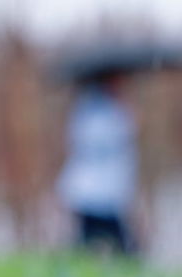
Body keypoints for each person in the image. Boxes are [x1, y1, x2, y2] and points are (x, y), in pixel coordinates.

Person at [56, 75, 138, 256]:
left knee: (92, 241)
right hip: (94, 191)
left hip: (105, 191)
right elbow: (94, 142)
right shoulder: (93, 111)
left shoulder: (112, 107)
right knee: (120, 244)